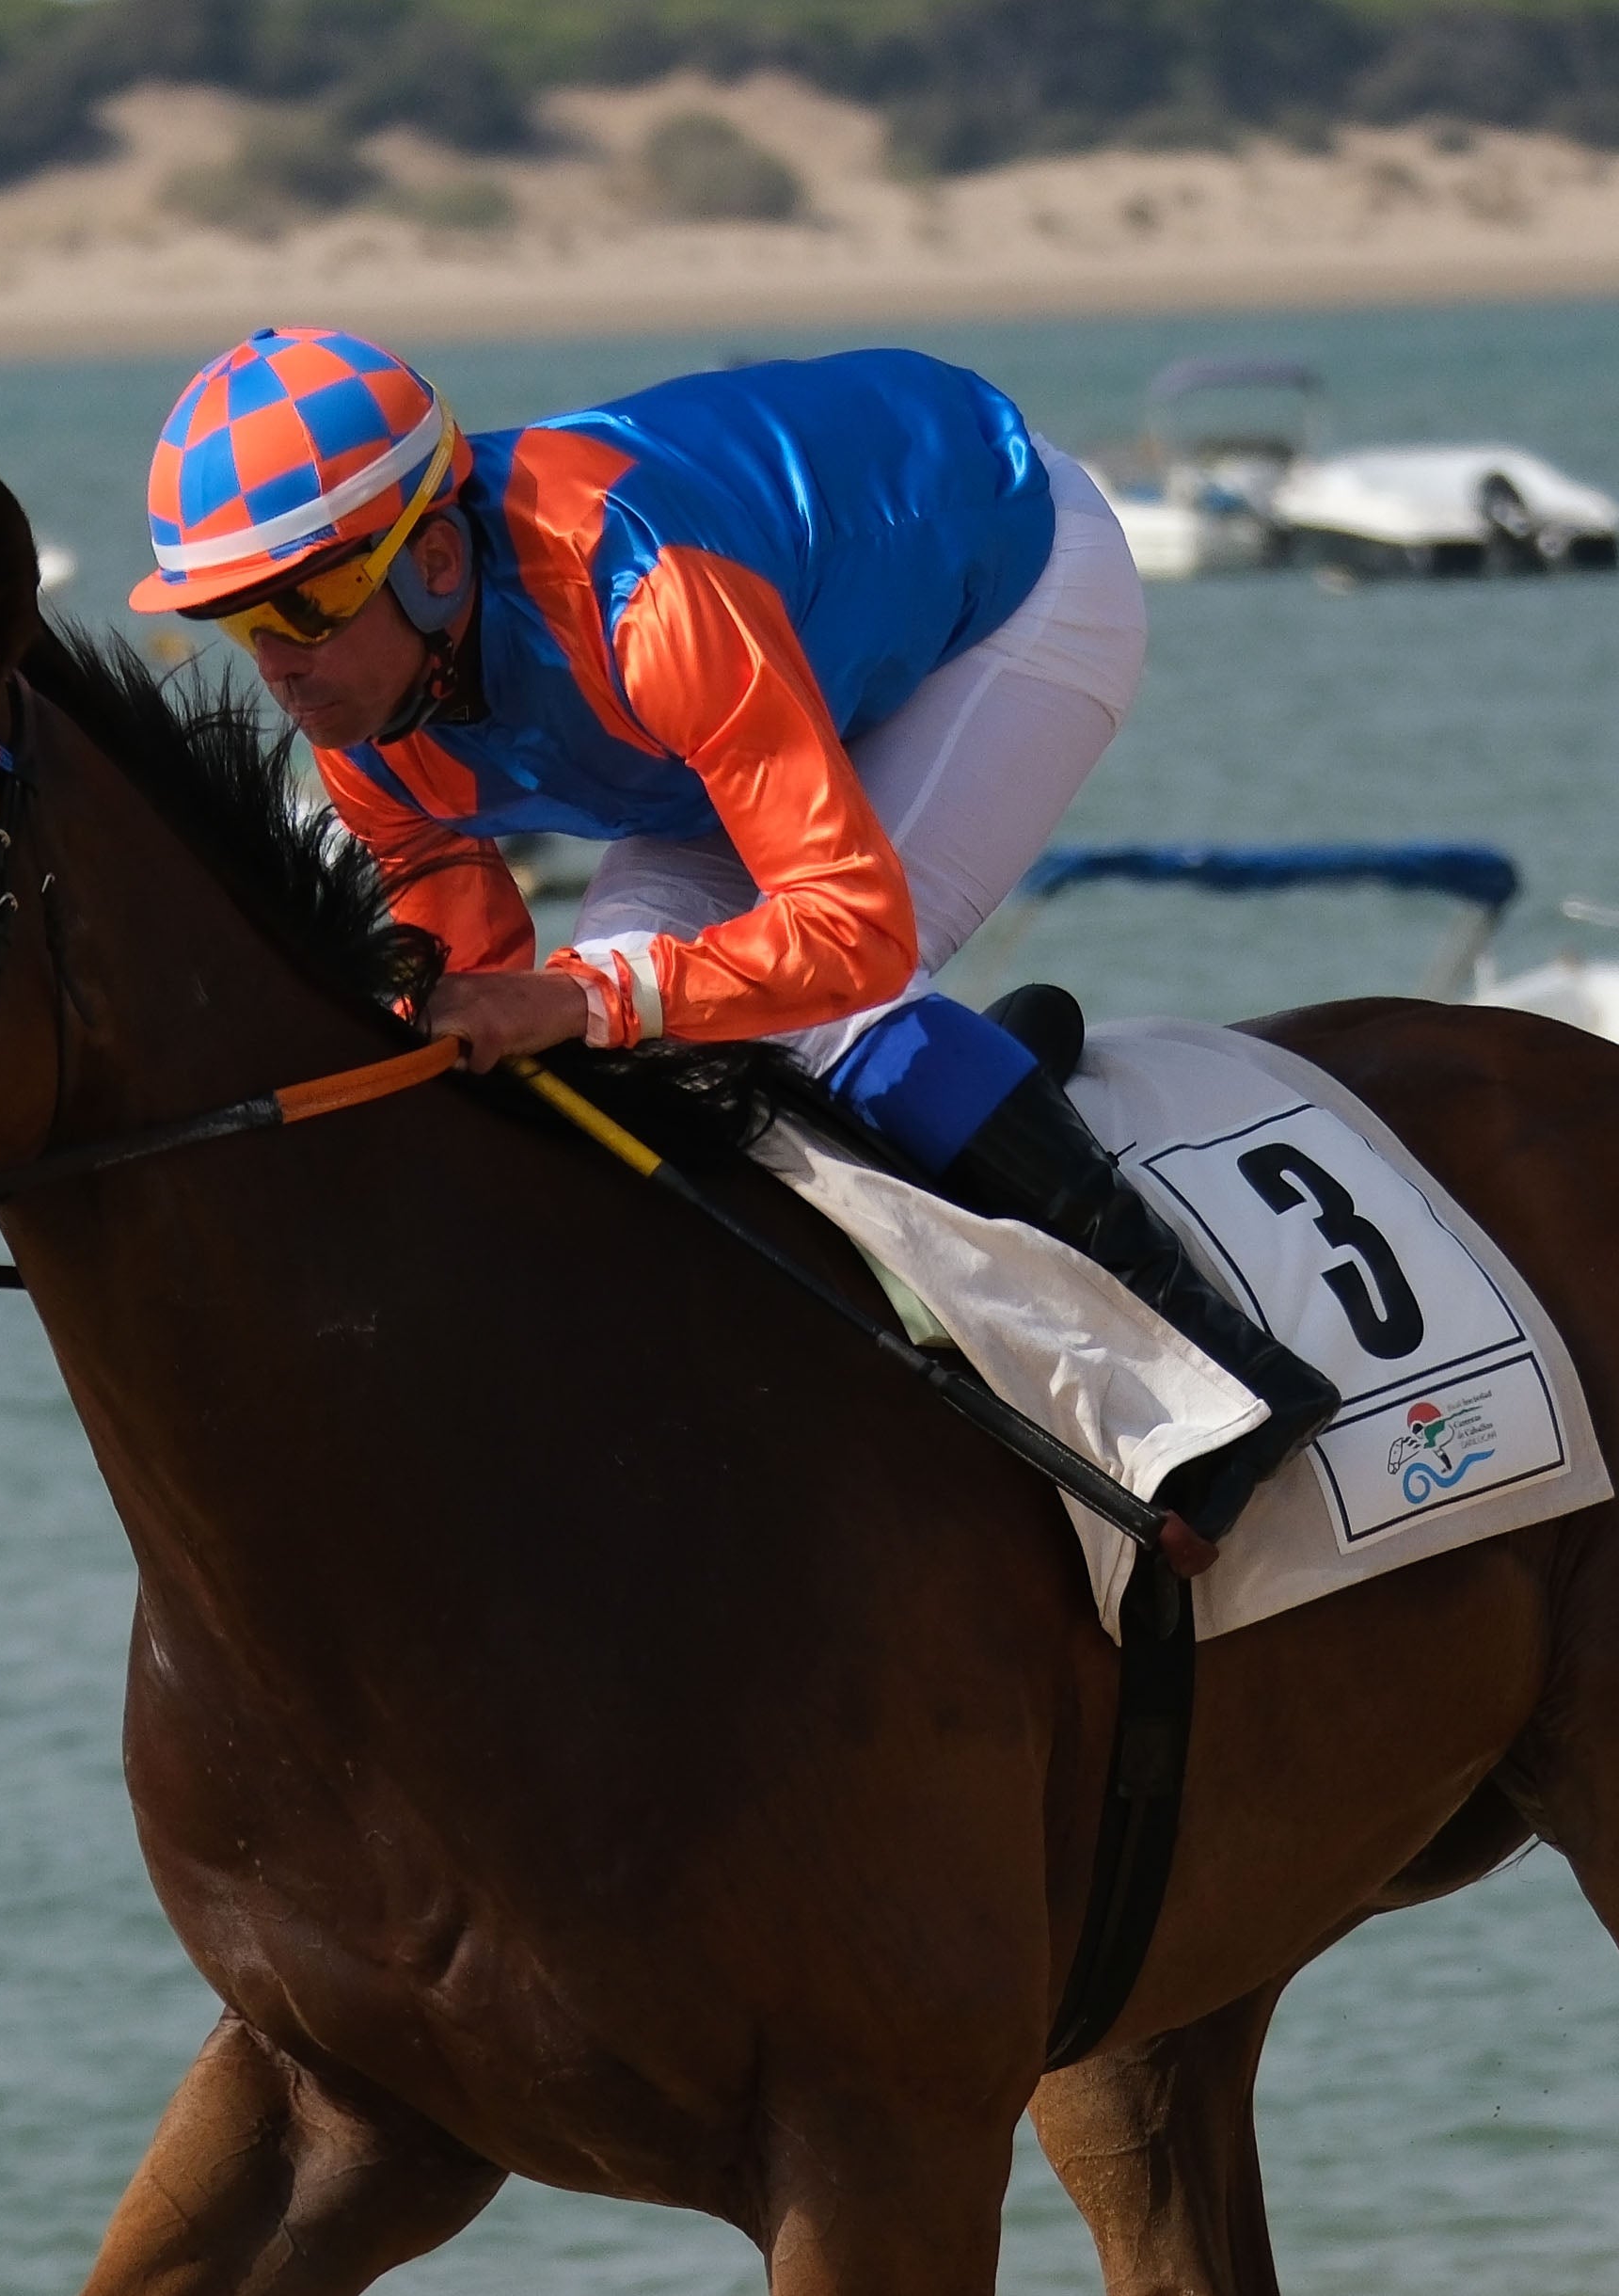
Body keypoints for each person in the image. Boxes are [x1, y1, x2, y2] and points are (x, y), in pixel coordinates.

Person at [128, 327, 1331, 1556]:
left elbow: (846, 935)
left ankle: (1215, 1371)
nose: (282, 663)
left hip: (1006, 590)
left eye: (309, 605)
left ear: (436, 561)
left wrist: (583, 999)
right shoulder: (362, 717)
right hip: (771, 670)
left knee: (807, 1005)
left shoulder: (644, 598)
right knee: (619, 1051)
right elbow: (470, 979)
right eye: (240, 623)